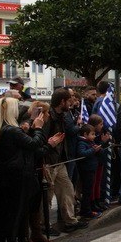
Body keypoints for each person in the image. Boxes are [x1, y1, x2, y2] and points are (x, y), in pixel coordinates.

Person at [0, 97, 47, 242]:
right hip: (18, 175)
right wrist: (38, 129)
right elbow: (33, 144)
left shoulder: (2, 128)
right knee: (16, 213)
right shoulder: (11, 130)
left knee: (20, 213)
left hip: (12, 173)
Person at [42, 88, 85, 232]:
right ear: (62, 102)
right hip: (49, 162)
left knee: (67, 189)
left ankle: (70, 220)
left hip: (60, 160)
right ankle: (44, 226)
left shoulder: (63, 115)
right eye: (69, 100)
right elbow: (42, 139)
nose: (72, 102)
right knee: (47, 196)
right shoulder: (48, 117)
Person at [76, 123, 103, 219]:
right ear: (85, 134)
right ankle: (86, 211)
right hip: (86, 170)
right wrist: (93, 150)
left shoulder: (91, 142)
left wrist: (98, 149)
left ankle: (89, 208)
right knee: (86, 191)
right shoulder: (82, 143)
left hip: (92, 168)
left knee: (89, 190)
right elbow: (82, 154)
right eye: (92, 134)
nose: (94, 136)